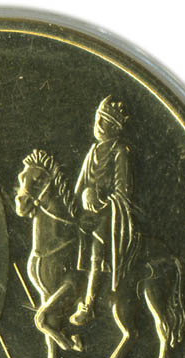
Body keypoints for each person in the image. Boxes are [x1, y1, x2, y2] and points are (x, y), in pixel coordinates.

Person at [70, 95, 136, 326]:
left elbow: (122, 192)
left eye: (103, 121)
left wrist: (99, 201)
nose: (97, 125)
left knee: (97, 249)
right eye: (97, 119)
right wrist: (84, 195)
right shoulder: (92, 150)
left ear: (114, 128)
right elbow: (79, 187)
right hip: (88, 212)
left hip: (110, 214)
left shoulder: (120, 151)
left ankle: (88, 305)